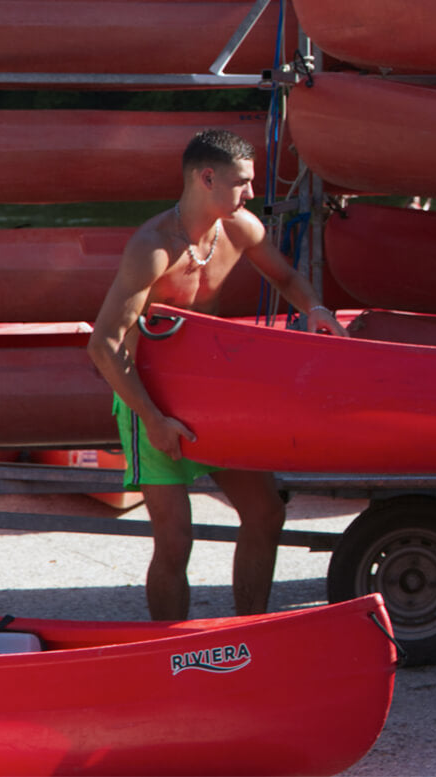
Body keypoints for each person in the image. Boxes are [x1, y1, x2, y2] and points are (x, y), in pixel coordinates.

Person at [87, 129, 349, 621]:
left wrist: (314, 308)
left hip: (212, 396)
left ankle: (250, 630)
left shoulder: (240, 228)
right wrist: (153, 419)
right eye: (242, 183)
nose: (252, 193)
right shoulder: (152, 247)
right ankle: (172, 657)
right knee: (174, 545)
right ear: (206, 178)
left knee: (266, 513)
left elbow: (287, 277)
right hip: (152, 400)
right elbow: (102, 344)